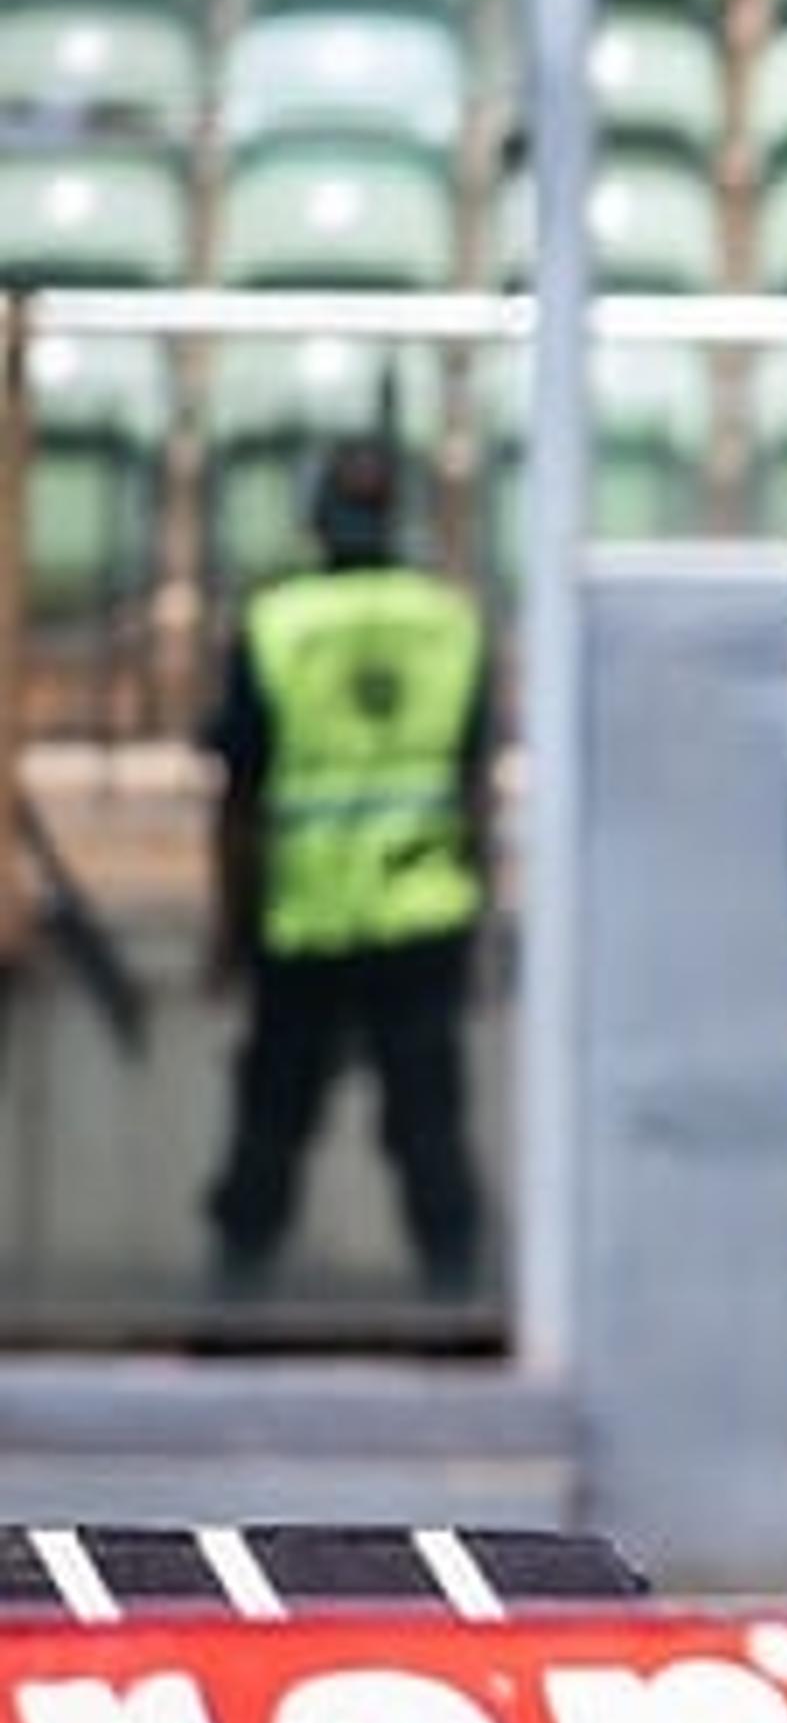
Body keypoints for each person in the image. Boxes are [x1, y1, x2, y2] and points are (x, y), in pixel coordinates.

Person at [201, 432, 492, 1305]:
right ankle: (457, 1305)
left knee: (270, 1131)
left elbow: (240, 799)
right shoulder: (449, 621)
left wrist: (229, 924)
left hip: (305, 920)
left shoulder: (275, 624)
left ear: (316, 517)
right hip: (422, 918)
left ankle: (233, 1306)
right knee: (429, 1133)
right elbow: (473, 790)